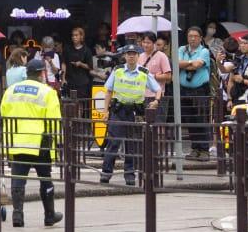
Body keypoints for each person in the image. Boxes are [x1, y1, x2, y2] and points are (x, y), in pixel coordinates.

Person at [0, 57, 64, 228]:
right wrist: (59, 142)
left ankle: (17, 216)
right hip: (41, 143)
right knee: (45, 179)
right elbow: (54, 121)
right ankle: (49, 215)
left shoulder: (11, 90)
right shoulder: (48, 92)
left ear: (26, 73)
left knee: (18, 179)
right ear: (42, 73)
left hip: (17, 141)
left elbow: (3, 113)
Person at [100, 44, 160, 186]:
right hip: (118, 111)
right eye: (129, 54)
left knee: (131, 144)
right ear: (125, 56)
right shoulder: (118, 70)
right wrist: (105, 111)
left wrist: (156, 101)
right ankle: (106, 173)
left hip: (134, 112)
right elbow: (108, 91)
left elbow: (157, 89)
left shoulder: (144, 72)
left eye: (134, 54)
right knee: (113, 142)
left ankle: (130, 175)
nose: (131, 56)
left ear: (138, 56)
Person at [176, 26, 213, 158]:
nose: (192, 38)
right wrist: (191, 62)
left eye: (195, 36)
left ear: (201, 38)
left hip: (200, 91)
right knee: (189, 120)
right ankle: (195, 148)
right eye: (190, 36)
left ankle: (204, 149)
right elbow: (177, 63)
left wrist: (187, 63)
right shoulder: (181, 49)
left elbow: (198, 65)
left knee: (201, 119)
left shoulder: (204, 51)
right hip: (184, 90)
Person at [137, 33, 172, 123]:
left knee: (159, 124)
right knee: (144, 124)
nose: (145, 45)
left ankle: (160, 137)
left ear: (154, 43)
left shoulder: (162, 56)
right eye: (144, 42)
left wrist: (153, 76)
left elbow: (168, 76)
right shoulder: (140, 56)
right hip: (142, 96)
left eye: (148, 42)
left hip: (158, 96)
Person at [62, 26, 94, 107]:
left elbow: (90, 67)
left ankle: (79, 119)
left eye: (76, 35)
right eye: (73, 35)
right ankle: (72, 119)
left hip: (82, 82)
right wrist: (63, 78)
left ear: (81, 36)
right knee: (70, 103)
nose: (74, 37)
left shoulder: (87, 50)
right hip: (70, 80)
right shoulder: (67, 49)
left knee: (80, 103)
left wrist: (80, 64)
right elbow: (64, 63)